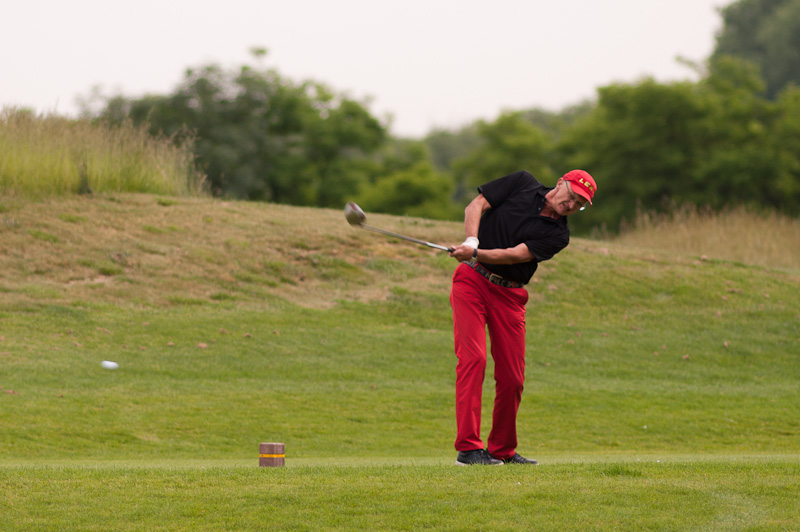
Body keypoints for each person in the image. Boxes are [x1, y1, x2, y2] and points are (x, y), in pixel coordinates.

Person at [448, 169, 596, 466]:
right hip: (472, 282)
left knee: (512, 377)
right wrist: (472, 241)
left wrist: (475, 253)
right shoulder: (522, 183)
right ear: (561, 183)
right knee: (474, 359)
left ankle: (502, 449)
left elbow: (516, 255)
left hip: (510, 295)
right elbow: (476, 205)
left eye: (579, 205)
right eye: (571, 196)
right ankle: (469, 449)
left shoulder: (558, 235)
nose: (571, 205)